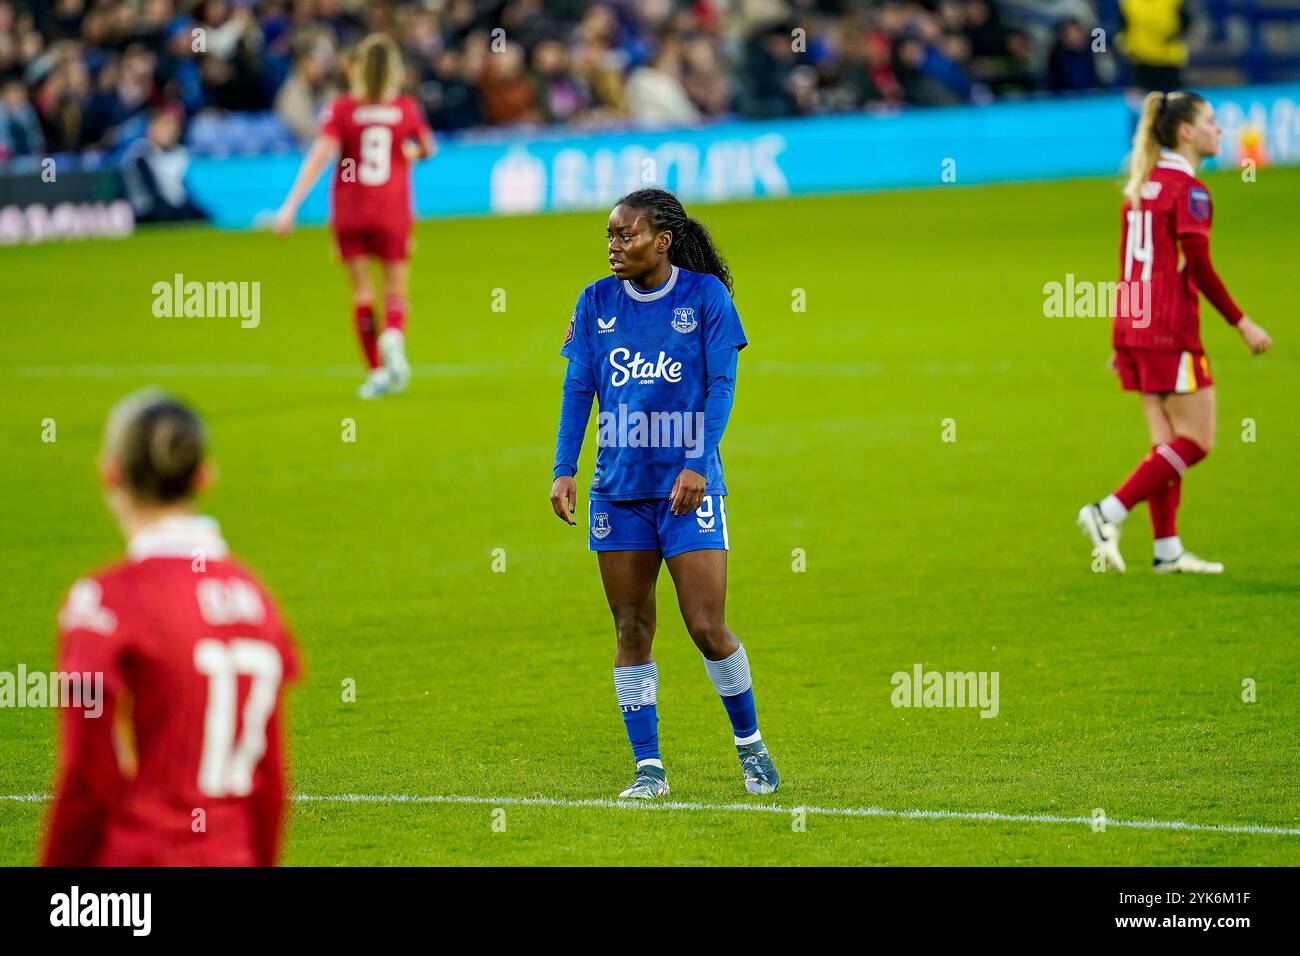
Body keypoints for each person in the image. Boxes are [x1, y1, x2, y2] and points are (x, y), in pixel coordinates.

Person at [549, 187, 780, 799]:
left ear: (663, 240)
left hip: (688, 490)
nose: (615, 246)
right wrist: (564, 467)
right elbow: (579, 390)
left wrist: (699, 462)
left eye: (627, 234)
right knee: (631, 628)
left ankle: (750, 745)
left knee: (706, 624)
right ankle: (649, 769)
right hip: (619, 490)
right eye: (609, 235)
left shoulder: (705, 298)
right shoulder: (595, 302)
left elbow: (721, 387)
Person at [43, 390, 300, 866]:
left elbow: (87, 782)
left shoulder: (103, 603)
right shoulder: (255, 598)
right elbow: (272, 781)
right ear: (204, 477)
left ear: (111, 472)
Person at [1077, 92, 1272, 574]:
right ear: (1185, 131)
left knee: (1165, 444)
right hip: (1170, 328)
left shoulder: (1141, 185)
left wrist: (1120, 337)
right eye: (1210, 121)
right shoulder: (1189, 191)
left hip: (1137, 324)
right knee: (1197, 441)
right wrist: (1241, 321)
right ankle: (1108, 511)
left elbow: (1128, 266)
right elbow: (1200, 268)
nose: (1219, 130)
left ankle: (1167, 551)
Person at [274, 33, 435, 400]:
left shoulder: (342, 109)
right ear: (395, 70)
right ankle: (393, 334)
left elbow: (320, 157)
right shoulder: (405, 109)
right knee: (396, 288)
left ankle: (376, 373)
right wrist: (407, 155)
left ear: (356, 68)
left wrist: (290, 207)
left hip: (350, 212)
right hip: (392, 208)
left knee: (363, 291)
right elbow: (427, 148)